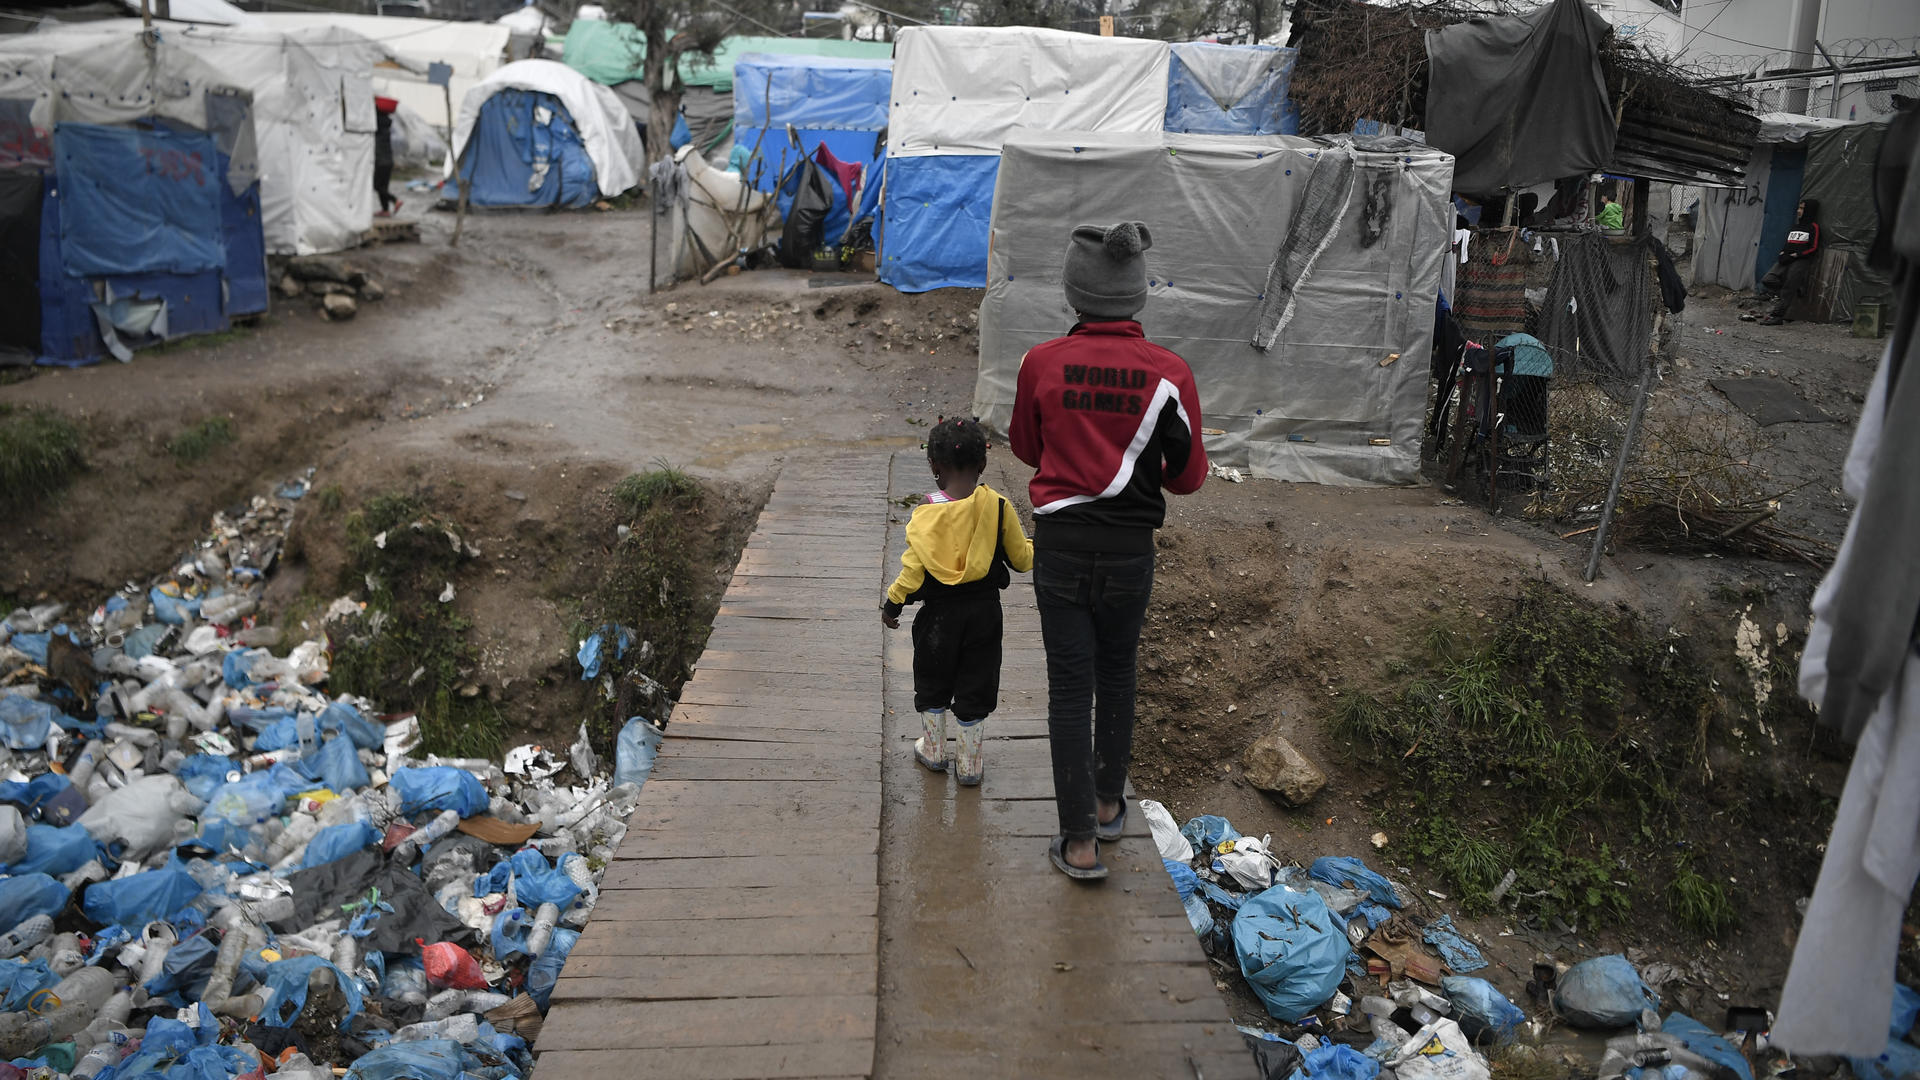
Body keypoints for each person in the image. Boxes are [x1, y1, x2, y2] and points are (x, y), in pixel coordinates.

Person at [1009, 222, 1207, 881]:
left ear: (1074, 293)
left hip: (1061, 550)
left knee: (1070, 688)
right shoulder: (1170, 375)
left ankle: (1080, 845)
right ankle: (1108, 805)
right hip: (1130, 555)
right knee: (1117, 672)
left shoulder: (1041, 363)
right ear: (1137, 293)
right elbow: (1189, 477)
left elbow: (1027, 448)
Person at [881, 417, 1033, 787]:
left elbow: (913, 571)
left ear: (934, 466)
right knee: (976, 683)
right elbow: (1023, 560)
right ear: (982, 464)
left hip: (938, 619)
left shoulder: (925, 513)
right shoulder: (998, 507)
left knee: (932, 681)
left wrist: (893, 603)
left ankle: (933, 751)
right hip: (984, 615)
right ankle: (969, 764)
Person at [1758, 200, 1821, 325]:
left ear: (1808, 211)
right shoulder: (1795, 226)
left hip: (1800, 261)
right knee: (1768, 279)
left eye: (1802, 208)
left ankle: (1777, 316)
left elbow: (1814, 247)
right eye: (1799, 208)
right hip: (1786, 259)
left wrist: (1798, 255)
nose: (1798, 211)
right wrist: (1783, 252)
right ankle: (1796, 286)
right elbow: (1788, 243)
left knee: (1788, 289)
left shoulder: (1813, 227)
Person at [373, 96, 401, 218]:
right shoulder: (386, 124)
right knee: (383, 186)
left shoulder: (377, 124)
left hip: (380, 161)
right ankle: (385, 210)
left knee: (376, 186)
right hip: (388, 161)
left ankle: (395, 200)